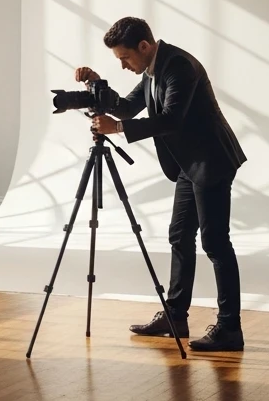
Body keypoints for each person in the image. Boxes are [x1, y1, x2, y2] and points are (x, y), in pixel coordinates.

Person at [75, 17, 246, 351]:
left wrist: (117, 129)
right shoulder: (152, 69)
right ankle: (175, 316)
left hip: (211, 161)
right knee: (179, 236)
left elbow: (171, 119)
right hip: (188, 164)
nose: (123, 66)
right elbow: (127, 108)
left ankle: (230, 328)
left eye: (125, 58)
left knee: (215, 243)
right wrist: (97, 83)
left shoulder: (178, 66)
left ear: (143, 46)